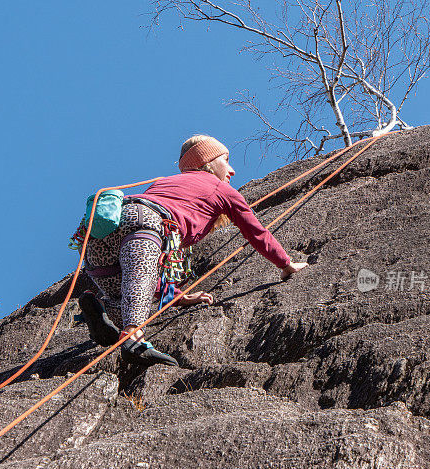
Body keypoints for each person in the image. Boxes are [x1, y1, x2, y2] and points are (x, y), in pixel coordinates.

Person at [79, 135, 308, 366]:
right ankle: (133, 338)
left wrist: (179, 298)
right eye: (226, 160)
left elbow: (150, 272)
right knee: (139, 280)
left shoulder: (164, 183)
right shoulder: (220, 188)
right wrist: (286, 264)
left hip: (98, 236)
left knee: (128, 292)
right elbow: (256, 232)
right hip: (145, 222)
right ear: (207, 162)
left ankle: (101, 309)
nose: (232, 170)